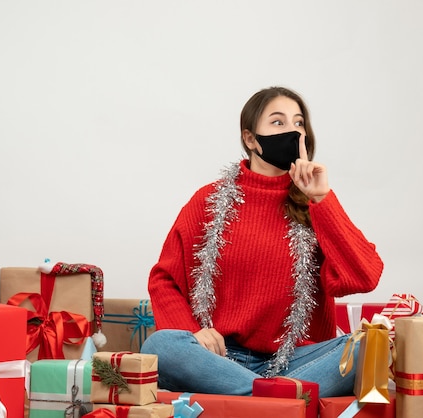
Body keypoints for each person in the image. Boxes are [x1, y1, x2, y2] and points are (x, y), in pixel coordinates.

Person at [141, 86, 384, 397]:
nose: (293, 132)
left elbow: (365, 276)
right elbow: (164, 280)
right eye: (278, 123)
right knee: (160, 345)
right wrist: (194, 334)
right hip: (217, 358)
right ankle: (279, 401)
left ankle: (258, 400)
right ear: (250, 139)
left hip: (294, 361)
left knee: (366, 346)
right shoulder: (208, 200)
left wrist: (321, 199)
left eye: (299, 123)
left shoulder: (315, 208)